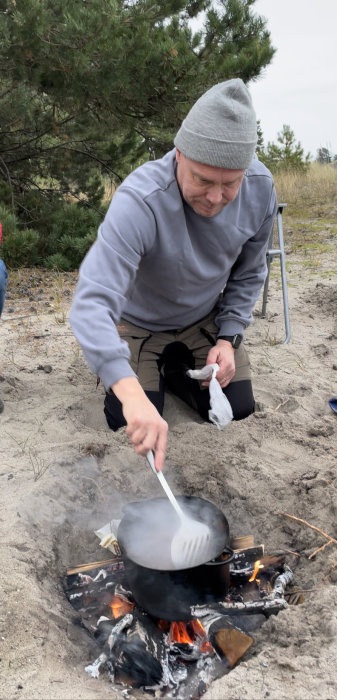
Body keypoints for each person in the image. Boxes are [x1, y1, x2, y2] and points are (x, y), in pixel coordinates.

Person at [70, 79, 277, 471]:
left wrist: (229, 338)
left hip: (203, 318)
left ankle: (175, 370)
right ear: (179, 154)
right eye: (202, 179)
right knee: (126, 423)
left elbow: (250, 273)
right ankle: (152, 372)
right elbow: (90, 304)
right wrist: (130, 395)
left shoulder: (260, 189)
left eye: (230, 183)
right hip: (138, 322)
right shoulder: (141, 199)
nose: (215, 198)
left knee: (239, 409)